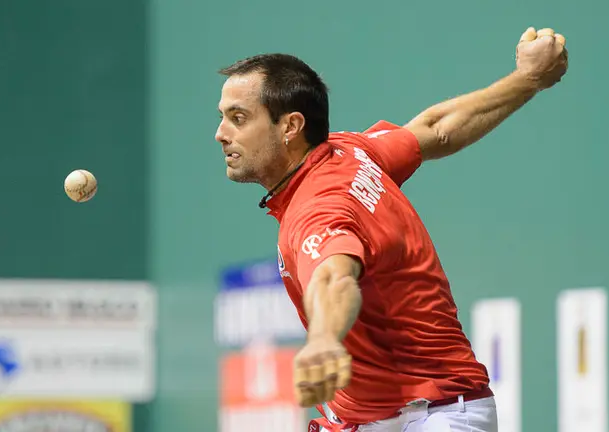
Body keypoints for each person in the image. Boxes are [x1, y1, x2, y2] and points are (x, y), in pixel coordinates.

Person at [214, 26, 568, 432]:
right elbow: (437, 128)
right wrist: (528, 79)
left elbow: (334, 276)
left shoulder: (317, 208)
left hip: (430, 416)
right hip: (379, 417)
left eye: (238, 118)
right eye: (223, 117)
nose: (221, 134)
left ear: (290, 126)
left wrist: (325, 338)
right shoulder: (350, 152)